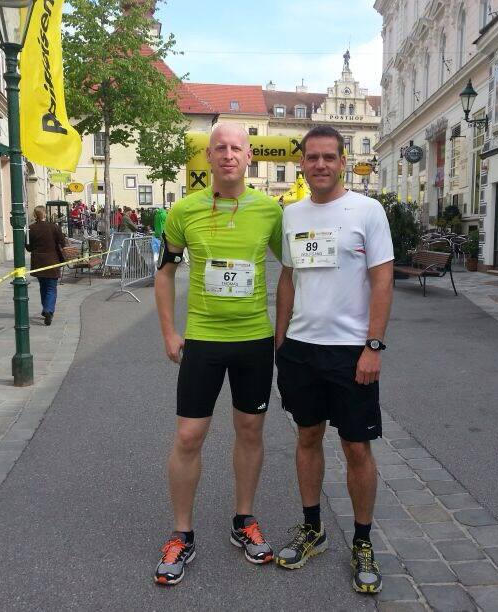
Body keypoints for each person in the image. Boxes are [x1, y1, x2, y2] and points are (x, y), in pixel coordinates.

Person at [153, 124, 283, 586]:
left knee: (250, 431)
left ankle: (243, 521)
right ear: (208, 157)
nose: (228, 155)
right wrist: (169, 332)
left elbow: (293, 269)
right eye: (220, 148)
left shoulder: (270, 210)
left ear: (249, 156)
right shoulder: (184, 210)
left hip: (253, 340)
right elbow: (164, 273)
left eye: (236, 148)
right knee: (189, 436)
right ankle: (182, 534)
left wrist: (285, 330)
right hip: (203, 341)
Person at [274, 125, 394, 594]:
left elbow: (382, 280)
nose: (320, 164)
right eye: (312, 157)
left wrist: (373, 346)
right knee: (307, 437)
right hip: (301, 349)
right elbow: (288, 278)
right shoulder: (291, 214)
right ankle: (313, 529)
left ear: (343, 162)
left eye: (329, 157)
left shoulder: (367, 210)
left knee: (356, 447)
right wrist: (281, 341)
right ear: (302, 163)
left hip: (351, 352)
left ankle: (362, 541)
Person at [26, 205, 68, 326]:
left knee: (43, 286)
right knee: (51, 288)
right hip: (52, 261)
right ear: (45, 214)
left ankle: (46, 308)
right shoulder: (54, 227)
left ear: (35, 215)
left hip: (38, 262)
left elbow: (28, 247)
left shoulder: (31, 228)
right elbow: (62, 242)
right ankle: (48, 310)